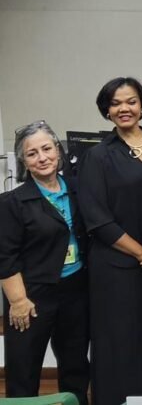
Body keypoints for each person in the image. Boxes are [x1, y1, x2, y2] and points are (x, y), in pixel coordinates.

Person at [78, 77, 142, 405]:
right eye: (116, 103)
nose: (124, 108)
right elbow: (96, 217)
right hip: (116, 265)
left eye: (131, 101)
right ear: (106, 111)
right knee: (122, 342)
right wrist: (141, 252)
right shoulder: (98, 156)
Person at [0, 121, 89, 404]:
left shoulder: (78, 189)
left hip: (75, 291)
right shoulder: (12, 202)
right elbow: (5, 255)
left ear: (58, 150)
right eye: (32, 153)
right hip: (31, 297)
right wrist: (17, 301)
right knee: (23, 371)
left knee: (75, 366)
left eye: (47, 148)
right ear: (23, 161)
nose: (42, 157)